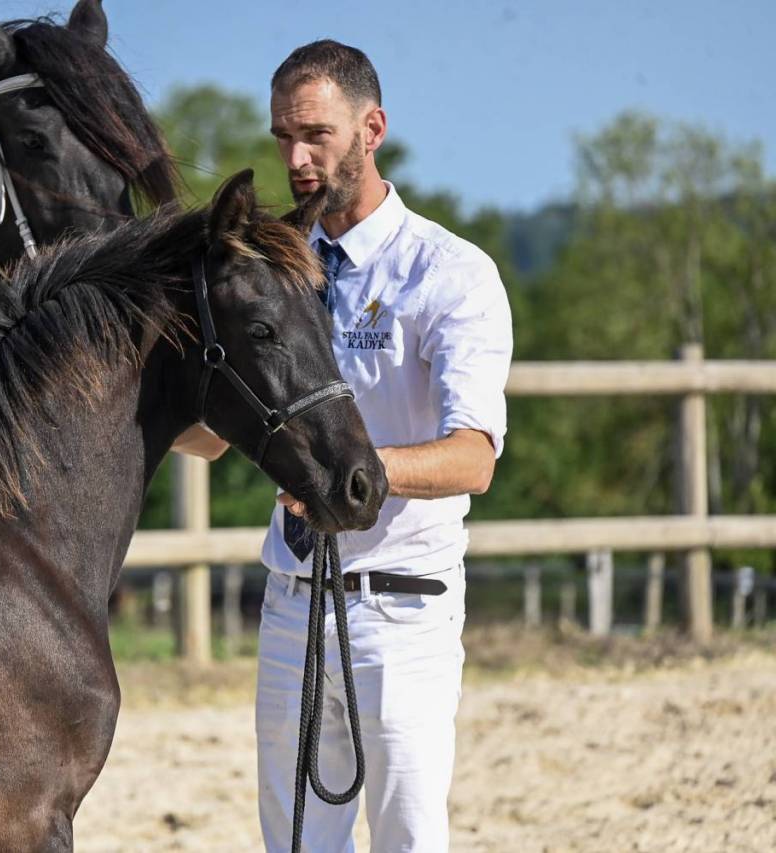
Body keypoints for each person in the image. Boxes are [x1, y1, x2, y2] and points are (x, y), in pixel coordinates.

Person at [176, 39, 513, 852]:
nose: (295, 158)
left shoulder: (449, 273)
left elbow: (474, 456)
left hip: (403, 610)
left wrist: (354, 474)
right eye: (282, 136)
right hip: (292, 601)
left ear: (372, 128)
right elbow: (211, 441)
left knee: (406, 839)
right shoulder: (271, 270)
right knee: (294, 842)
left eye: (315, 135)